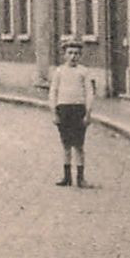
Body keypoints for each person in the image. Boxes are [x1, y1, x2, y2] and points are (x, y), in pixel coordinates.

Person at [47, 38, 97, 187]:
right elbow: (53, 92)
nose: (73, 56)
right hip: (64, 109)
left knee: (79, 145)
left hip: (78, 109)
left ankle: (81, 178)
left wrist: (88, 113)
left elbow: (89, 92)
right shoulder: (59, 71)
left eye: (76, 53)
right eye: (70, 53)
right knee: (66, 144)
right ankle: (67, 177)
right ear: (65, 55)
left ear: (80, 55)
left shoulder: (84, 72)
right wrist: (54, 112)